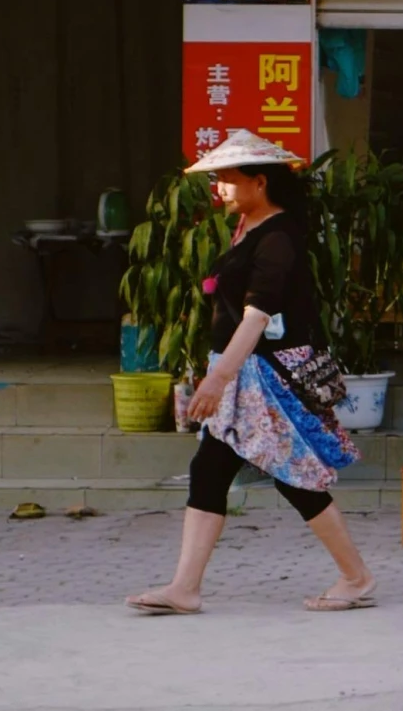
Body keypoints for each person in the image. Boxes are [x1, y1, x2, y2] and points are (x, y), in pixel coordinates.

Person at [126, 130, 371, 617]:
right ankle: (185, 587)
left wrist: (217, 380)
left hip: (270, 376)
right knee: (211, 469)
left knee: (292, 479)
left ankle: (356, 577)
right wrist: (218, 372)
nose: (219, 187)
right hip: (245, 372)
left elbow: (258, 317)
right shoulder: (251, 228)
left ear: (260, 183)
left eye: (228, 179)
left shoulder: (278, 237)